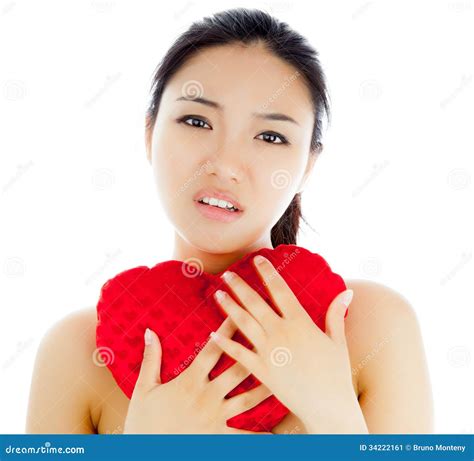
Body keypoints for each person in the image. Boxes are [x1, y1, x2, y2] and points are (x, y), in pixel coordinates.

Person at [26, 7, 434, 434]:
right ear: (149, 135)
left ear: (308, 165)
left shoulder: (373, 326)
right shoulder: (76, 351)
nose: (225, 164)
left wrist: (333, 413)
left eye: (271, 136)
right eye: (197, 121)